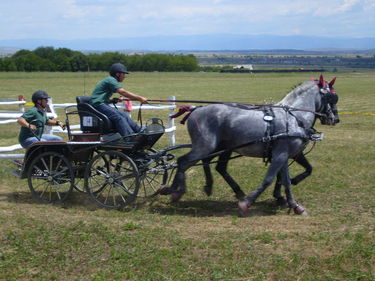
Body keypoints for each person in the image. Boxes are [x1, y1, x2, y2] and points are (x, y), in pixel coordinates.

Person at [90, 63, 148, 136]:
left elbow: (101, 96)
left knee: (124, 115)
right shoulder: (111, 80)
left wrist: (111, 100)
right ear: (117, 74)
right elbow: (122, 92)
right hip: (98, 105)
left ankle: (138, 130)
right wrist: (140, 98)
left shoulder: (110, 80)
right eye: (123, 74)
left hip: (101, 103)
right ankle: (129, 136)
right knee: (118, 117)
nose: (124, 76)